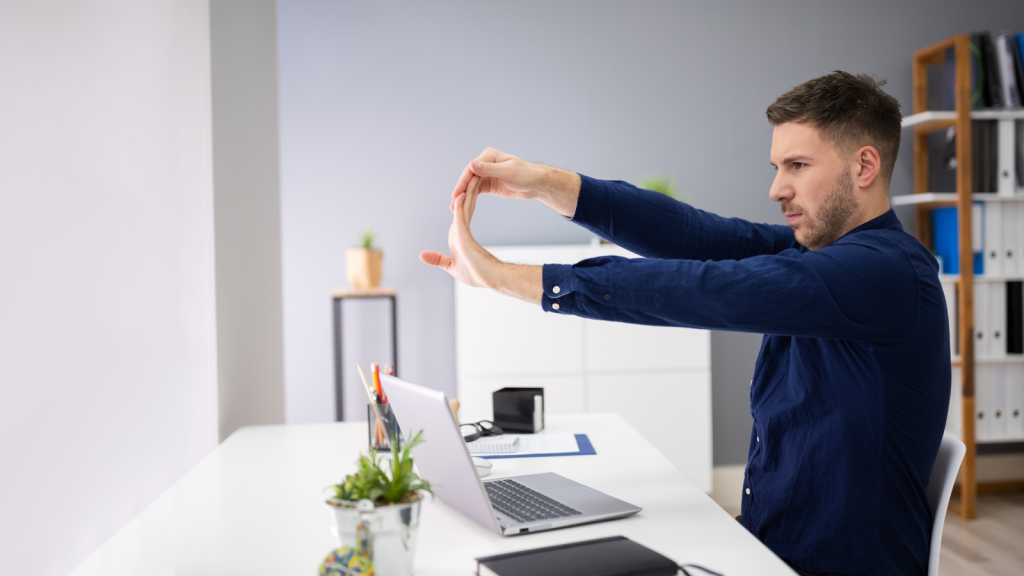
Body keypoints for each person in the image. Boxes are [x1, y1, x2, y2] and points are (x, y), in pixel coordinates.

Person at [420, 71, 948, 576]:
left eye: (798, 165)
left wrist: (500, 277)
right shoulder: (818, 255)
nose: (777, 188)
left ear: (864, 167)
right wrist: (542, 183)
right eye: (777, 167)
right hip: (766, 549)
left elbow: (707, 290)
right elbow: (696, 237)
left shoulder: (888, 272)